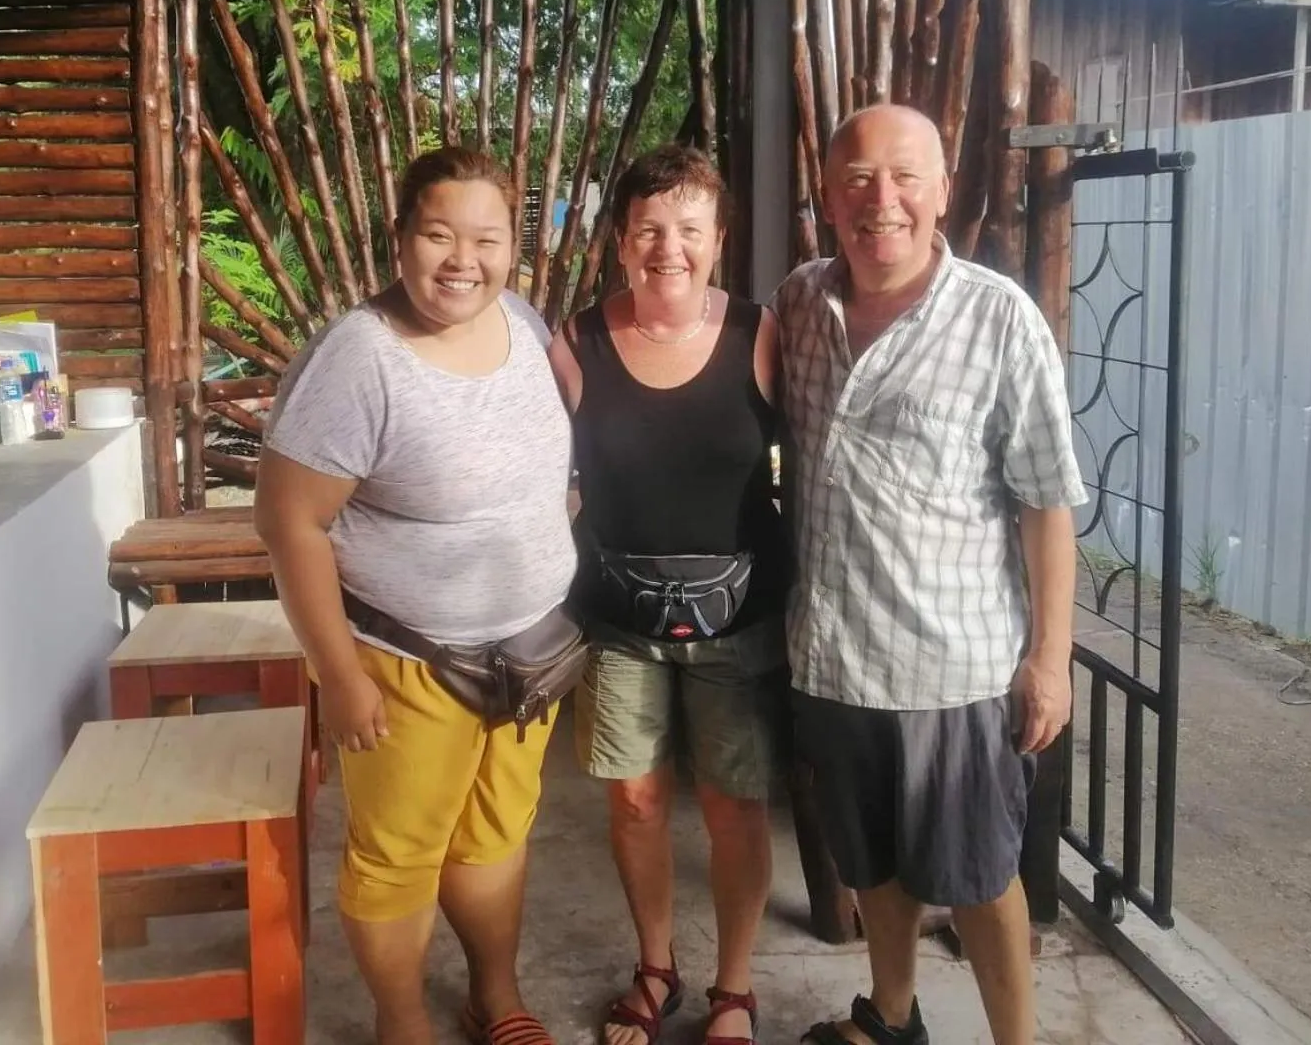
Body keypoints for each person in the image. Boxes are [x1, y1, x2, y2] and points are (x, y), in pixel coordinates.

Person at [775, 105, 1086, 1045]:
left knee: (984, 877)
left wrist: (1050, 658)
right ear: (829, 198)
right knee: (870, 863)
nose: (883, 200)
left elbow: (1047, 503)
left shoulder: (999, 319)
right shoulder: (799, 304)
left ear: (944, 190)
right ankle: (891, 1016)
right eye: (859, 179)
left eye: (906, 176)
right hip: (832, 658)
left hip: (954, 669)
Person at [255, 147, 577, 1045]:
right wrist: (339, 676)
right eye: (438, 234)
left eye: (485, 238)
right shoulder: (361, 358)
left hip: (531, 653)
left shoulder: (520, 318)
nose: (461, 260)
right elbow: (289, 525)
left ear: (512, 248)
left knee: (495, 833)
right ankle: (404, 1024)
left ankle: (495, 997)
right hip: (408, 661)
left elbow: (555, 430)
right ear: (400, 240)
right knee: (398, 856)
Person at [550, 144, 787, 1045]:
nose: (668, 248)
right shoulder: (574, 344)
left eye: (689, 228)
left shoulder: (761, 335)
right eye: (649, 228)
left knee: (734, 805)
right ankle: (656, 968)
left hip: (741, 616)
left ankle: (735, 987)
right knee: (636, 802)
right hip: (619, 619)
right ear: (620, 240)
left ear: (717, 239)